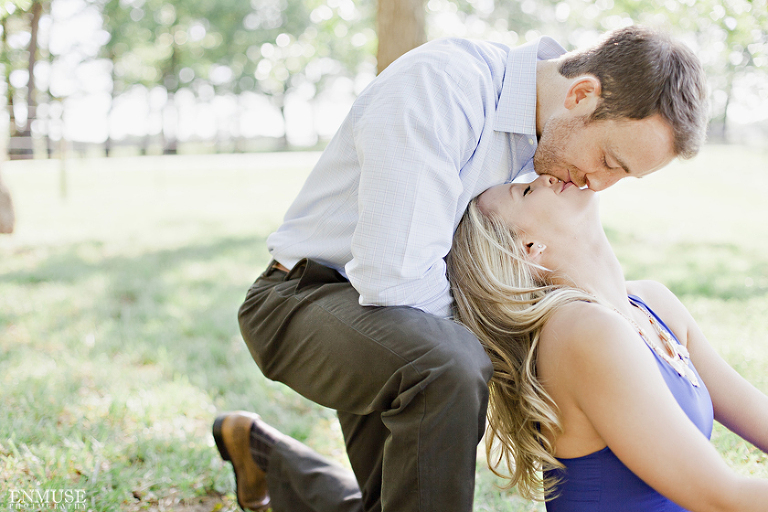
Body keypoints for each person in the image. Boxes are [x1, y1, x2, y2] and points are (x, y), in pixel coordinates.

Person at [213, 25, 709, 512]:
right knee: (449, 364)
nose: (598, 185)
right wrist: (540, 350)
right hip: (302, 298)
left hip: (395, 325)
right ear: (581, 94)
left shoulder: (552, 150)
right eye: (608, 160)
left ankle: (263, 453)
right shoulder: (443, 87)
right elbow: (395, 281)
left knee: (400, 497)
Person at [447, 175, 768, 511]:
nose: (546, 178)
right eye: (526, 191)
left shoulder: (651, 304)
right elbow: (722, 498)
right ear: (528, 248)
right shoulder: (581, 333)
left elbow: (759, 416)